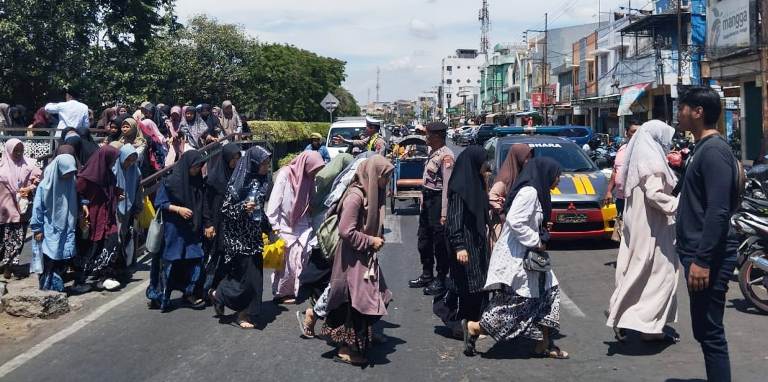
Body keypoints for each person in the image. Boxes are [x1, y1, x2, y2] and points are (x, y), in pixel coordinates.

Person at [464, 157, 568, 359]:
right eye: (558, 175)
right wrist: (536, 240)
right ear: (547, 173)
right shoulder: (529, 192)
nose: (559, 180)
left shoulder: (539, 193)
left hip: (531, 257)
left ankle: (544, 344)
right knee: (518, 305)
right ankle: (475, 327)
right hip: (518, 257)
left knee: (549, 292)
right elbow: (515, 220)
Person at [675, 86, 738, 381]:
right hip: (696, 253)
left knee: (711, 334)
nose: (679, 113)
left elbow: (718, 211)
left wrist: (701, 260)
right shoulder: (702, 148)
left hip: (708, 257)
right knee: (703, 330)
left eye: (683, 107)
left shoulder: (714, 152)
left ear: (698, 112)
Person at [605, 120, 680, 343]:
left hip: (638, 224)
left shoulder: (638, 160)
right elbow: (655, 194)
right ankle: (641, 323)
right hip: (653, 226)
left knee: (636, 270)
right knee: (660, 275)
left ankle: (640, 323)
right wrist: (679, 205)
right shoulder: (653, 162)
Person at [321, 155, 393, 366]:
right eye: (385, 177)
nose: (387, 182)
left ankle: (360, 339)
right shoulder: (355, 196)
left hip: (362, 256)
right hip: (353, 258)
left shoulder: (369, 195)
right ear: (374, 175)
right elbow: (346, 231)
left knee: (374, 296)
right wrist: (370, 240)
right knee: (358, 303)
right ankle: (347, 349)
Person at [210, 146, 273, 329]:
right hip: (238, 238)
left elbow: (260, 209)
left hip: (253, 236)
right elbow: (226, 210)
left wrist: (268, 229)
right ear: (253, 163)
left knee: (254, 278)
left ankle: (221, 295)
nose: (266, 167)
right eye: (263, 164)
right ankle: (241, 313)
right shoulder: (237, 182)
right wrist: (242, 208)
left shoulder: (262, 182)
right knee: (247, 280)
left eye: (267, 164)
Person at [297, 152, 355, 338]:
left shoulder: (337, 185)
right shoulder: (342, 188)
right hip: (330, 241)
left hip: (326, 239)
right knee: (333, 283)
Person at [146, 150, 207, 311]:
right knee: (169, 265)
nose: (196, 170)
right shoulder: (171, 181)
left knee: (194, 261)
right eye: (194, 167)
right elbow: (160, 203)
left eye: (199, 167)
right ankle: (160, 297)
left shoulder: (197, 181)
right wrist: (178, 209)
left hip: (191, 231)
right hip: (173, 232)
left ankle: (189, 294)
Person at [442, 146, 491, 344]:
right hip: (465, 245)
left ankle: (473, 322)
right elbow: (454, 219)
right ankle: (462, 323)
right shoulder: (460, 188)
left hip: (477, 244)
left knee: (477, 285)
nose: (485, 166)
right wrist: (459, 245)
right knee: (466, 285)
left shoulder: (476, 184)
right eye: (482, 163)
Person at [266, 151, 325, 304]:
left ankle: (296, 290)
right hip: (285, 225)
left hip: (303, 224)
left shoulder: (309, 177)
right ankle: (281, 293)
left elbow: (310, 199)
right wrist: (275, 226)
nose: (314, 172)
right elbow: (275, 201)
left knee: (301, 258)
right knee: (287, 263)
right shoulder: (285, 174)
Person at [409, 122, 454, 296]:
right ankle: (427, 274)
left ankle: (441, 279)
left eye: (428, 135)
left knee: (439, 243)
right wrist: (422, 199)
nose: (425, 138)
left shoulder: (446, 156)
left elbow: (447, 188)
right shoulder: (432, 153)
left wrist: (444, 213)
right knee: (424, 240)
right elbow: (426, 179)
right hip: (428, 201)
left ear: (436, 137)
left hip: (437, 202)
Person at [75, 145, 122, 291]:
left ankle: (105, 276)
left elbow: (110, 190)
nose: (114, 163)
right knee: (91, 247)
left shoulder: (108, 173)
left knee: (112, 242)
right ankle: (81, 280)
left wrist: (116, 194)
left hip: (107, 215)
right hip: (92, 216)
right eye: (112, 159)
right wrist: (83, 205)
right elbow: (78, 193)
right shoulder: (86, 176)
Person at [30, 153, 78, 292]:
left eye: (71, 172)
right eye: (66, 172)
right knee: (50, 257)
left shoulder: (71, 182)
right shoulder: (45, 186)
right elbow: (38, 208)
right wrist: (37, 229)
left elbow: (77, 199)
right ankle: (47, 287)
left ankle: (57, 286)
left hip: (68, 225)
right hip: (50, 228)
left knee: (63, 256)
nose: (68, 175)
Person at [201, 143, 242, 296]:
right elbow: (206, 203)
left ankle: (219, 289)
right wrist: (208, 223)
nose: (236, 162)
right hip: (216, 223)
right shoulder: (213, 178)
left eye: (238, 159)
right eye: (233, 159)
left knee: (228, 256)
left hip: (231, 222)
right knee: (214, 256)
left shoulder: (237, 176)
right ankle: (204, 289)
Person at [0, 139, 42, 279]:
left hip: (21, 209)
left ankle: (10, 265)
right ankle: (6, 264)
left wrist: (28, 188)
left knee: (18, 238)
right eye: (15, 150)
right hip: (4, 210)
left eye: (21, 150)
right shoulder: (1, 166)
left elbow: (38, 179)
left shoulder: (29, 164)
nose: (18, 153)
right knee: (5, 238)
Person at [488, 144, 532, 242]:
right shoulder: (506, 177)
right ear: (518, 157)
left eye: (530, 157)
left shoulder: (520, 174)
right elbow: (492, 197)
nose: (528, 161)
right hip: (503, 226)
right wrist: (503, 212)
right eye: (526, 157)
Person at [114, 144, 142, 271]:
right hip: (114, 208)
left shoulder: (135, 170)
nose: (130, 163)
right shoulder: (114, 169)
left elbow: (138, 190)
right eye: (127, 159)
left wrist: (137, 208)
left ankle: (122, 263)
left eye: (132, 160)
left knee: (125, 234)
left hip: (128, 207)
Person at [603, 121, 640, 213]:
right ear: (626, 133)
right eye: (633, 131)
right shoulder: (622, 149)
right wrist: (609, 191)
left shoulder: (645, 152)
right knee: (620, 224)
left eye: (639, 132)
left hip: (637, 200)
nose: (637, 135)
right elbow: (615, 171)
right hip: (620, 198)